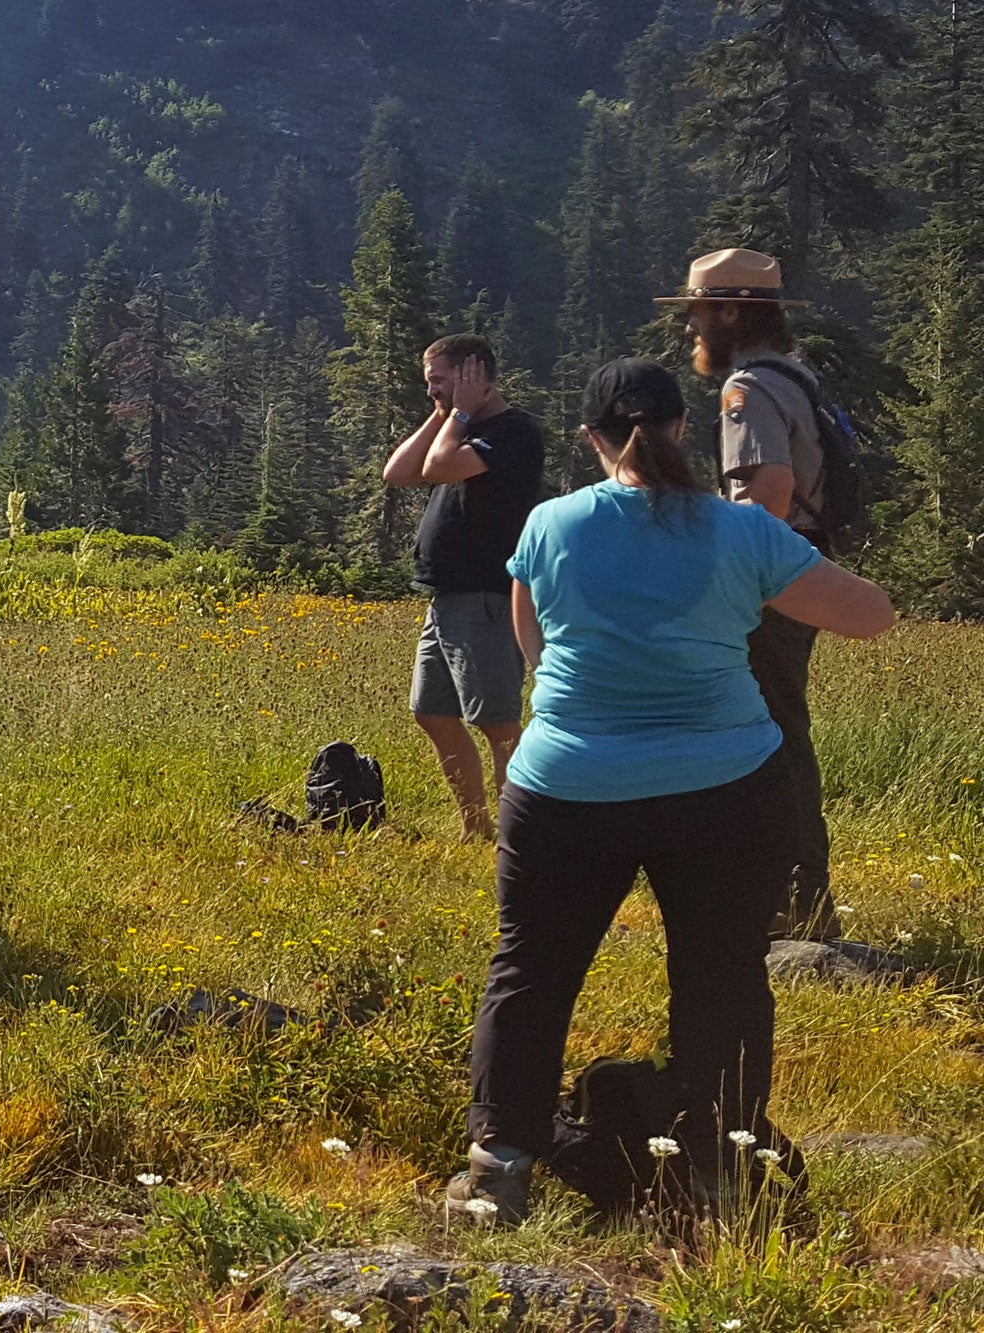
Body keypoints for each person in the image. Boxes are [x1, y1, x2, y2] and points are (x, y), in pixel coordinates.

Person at [445, 358, 894, 1224]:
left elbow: (534, 646)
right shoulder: (739, 532)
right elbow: (869, 613)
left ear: (591, 437)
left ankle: (499, 1170)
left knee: (530, 971)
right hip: (724, 784)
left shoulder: (550, 524)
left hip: (566, 783)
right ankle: (723, 1176)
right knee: (723, 976)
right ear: (685, 429)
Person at [660, 247, 839, 940]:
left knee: (766, 734)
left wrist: (723, 580)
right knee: (782, 728)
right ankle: (798, 893)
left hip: (767, 581)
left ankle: (789, 899)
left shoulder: (747, 389)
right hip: (802, 567)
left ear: (731, 311)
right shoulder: (798, 376)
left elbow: (766, 497)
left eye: (699, 312)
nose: (691, 329)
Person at [381, 334, 546, 840]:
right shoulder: (457, 425)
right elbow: (398, 473)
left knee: (497, 723)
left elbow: (439, 467)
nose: (431, 389)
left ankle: (521, 831)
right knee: (431, 712)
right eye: (428, 380)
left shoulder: (512, 431)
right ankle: (475, 827)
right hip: (447, 595)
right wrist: (443, 413)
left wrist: (462, 414)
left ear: (474, 374)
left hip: (486, 595)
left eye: (440, 379)